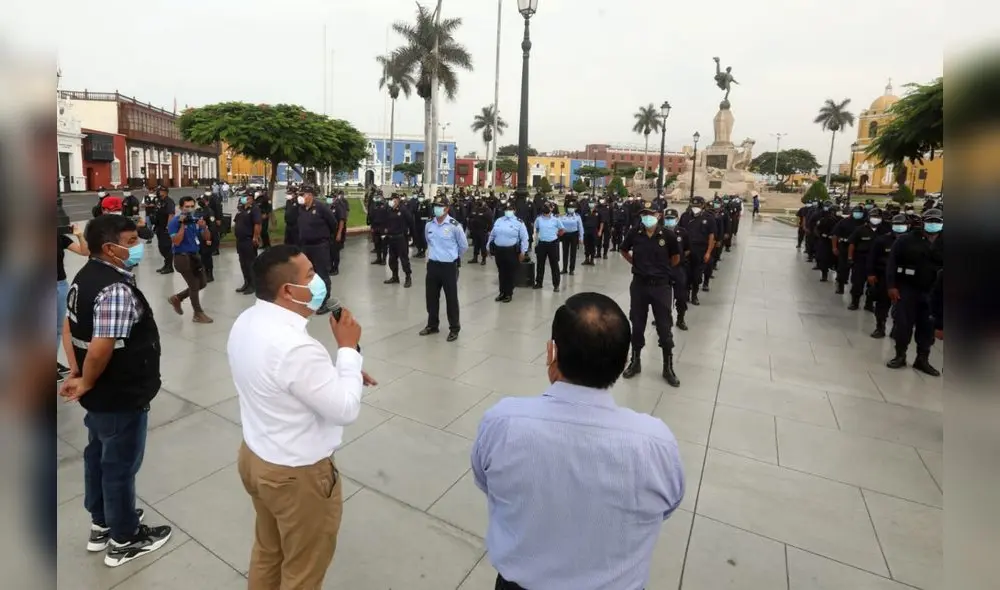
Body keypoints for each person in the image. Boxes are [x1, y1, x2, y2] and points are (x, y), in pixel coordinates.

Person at [472, 292, 685, 590]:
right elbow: (669, 505)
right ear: (623, 359)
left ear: (551, 353)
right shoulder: (655, 443)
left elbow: (485, 481)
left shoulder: (502, 423)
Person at [229, 245, 377, 590]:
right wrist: (347, 350)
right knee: (303, 569)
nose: (319, 279)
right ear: (288, 290)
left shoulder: (249, 319)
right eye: (310, 274)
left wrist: (345, 372)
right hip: (297, 476)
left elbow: (283, 380)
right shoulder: (295, 348)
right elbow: (345, 410)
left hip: (256, 457)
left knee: (269, 549)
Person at [59, 214, 172, 568]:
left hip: (100, 394)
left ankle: (101, 523)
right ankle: (125, 539)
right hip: (119, 392)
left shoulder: (85, 277)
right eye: (132, 240)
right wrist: (87, 378)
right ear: (110, 248)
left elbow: (69, 325)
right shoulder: (115, 290)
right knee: (120, 466)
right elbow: (102, 345)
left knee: (98, 456)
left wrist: (76, 370)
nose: (138, 245)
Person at [620, 201, 682, 386]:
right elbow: (623, 249)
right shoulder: (635, 233)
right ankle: (635, 361)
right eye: (644, 214)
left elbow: (676, 257)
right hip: (639, 285)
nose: (647, 218)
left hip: (661, 287)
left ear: (659, 216)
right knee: (637, 324)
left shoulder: (668, 236)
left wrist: (663, 270)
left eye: (651, 214)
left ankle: (667, 366)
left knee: (664, 326)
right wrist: (636, 264)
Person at [885, 208, 943, 375]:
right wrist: (891, 286)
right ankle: (900, 355)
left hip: (932, 292)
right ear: (923, 222)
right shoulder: (907, 240)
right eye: (930, 221)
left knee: (927, 327)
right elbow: (892, 263)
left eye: (937, 222)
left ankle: (922, 359)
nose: (934, 225)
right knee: (903, 325)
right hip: (907, 288)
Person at [419, 196, 468, 342]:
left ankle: (454, 328)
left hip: (448, 267)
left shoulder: (454, 225)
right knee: (431, 298)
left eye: (440, 206)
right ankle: (432, 325)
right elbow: (428, 242)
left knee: (451, 299)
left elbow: (463, 246)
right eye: (435, 206)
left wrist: (452, 256)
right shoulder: (429, 225)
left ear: (447, 209)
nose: (436, 209)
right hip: (433, 266)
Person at [166, 196, 214, 324]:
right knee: (193, 284)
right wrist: (182, 226)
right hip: (181, 257)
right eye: (186, 206)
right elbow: (176, 241)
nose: (189, 209)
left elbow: (207, 239)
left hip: (195, 255)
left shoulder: (194, 220)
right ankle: (198, 313)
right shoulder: (175, 222)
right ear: (181, 207)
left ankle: (177, 298)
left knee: (202, 283)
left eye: (192, 206)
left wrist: (204, 227)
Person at [296, 185, 339, 315]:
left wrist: (325, 237)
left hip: (320, 246)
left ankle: (325, 302)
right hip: (306, 246)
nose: (300, 197)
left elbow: (333, 223)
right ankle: (315, 298)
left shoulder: (321, 207)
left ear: (310, 195)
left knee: (322, 274)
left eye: (303, 194)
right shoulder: (302, 209)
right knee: (309, 274)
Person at [58, 223, 89, 379]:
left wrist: (79, 235)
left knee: (60, 327)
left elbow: (85, 252)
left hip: (59, 285)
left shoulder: (59, 238)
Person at [487, 200, 529, 302]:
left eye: (510, 209)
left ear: (514, 210)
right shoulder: (499, 220)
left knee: (510, 273)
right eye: (506, 209)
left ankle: (508, 293)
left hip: (511, 251)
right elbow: (492, 234)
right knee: (501, 272)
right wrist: (488, 246)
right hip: (499, 250)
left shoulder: (519, 222)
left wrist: (523, 251)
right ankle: (502, 292)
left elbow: (524, 238)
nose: (507, 211)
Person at [678, 196, 716, 306]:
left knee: (697, 276)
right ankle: (686, 293)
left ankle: (694, 295)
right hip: (686, 250)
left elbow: (712, 237)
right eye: (693, 205)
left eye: (698, 206)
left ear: (703, 206)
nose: (695, 208)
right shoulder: (685, 216)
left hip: (700, 251)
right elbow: (679, 232)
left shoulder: (709, 218)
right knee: (685, 274)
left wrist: (708, 252)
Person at [662, 208, 690, 331]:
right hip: (663, 269)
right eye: (667, 219)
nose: (669, 221)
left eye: (671, 219)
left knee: (681, 295)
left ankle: (680, 318)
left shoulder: (683, 233)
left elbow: (687, 249)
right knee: (661, 296)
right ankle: (662, 317)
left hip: (678, 268)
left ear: (677, 219)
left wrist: (680, 258)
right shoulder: (660, 232)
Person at [532, 201, 564, 292]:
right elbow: (536, 229)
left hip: (553, 244)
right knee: (540, 264)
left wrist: (556, 235)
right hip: (542, 243)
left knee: (554, 265)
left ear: (551, 209)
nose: (546, 209)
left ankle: (556, 285)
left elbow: (562, 230)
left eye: (548, 207)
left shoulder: (556, 219)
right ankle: (539, 282)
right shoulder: (538, 219)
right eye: (544, 207)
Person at [234, 193, 262, 294]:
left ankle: (253, 285)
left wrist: (255, 237)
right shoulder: (242, 209)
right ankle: (246, 282)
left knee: (250, 263)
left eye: (245, 197)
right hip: (240, 240)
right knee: (243, 263)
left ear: (251, 198)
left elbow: (257, 224)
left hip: (249, 240)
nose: (243, 199)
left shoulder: (255, 209)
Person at [383, 194, 414, 288]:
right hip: (391, 238)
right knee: (392, 259)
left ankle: (408, 278)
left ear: (397, 200)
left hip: (401, 238)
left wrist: (409, 234)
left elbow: (410, 221)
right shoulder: (389, 210)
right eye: (391, 199)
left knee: (404, 259)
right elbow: (387, 221)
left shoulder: (403, 209)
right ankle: (395, 277)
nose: (392, 201)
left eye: (393, 199)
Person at [152, 186, 176, 274]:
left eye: (159, 191)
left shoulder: (169, 202)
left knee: (166, 247)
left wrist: (168, 227)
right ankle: (166, 264)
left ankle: (169, 267)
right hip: (159, 227)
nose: (157, 192)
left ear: (165, 192)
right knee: (161, 247)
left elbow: (171, 214)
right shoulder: (159, 201)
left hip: (165, 228)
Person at [559, 197, 584, 275]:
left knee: (573, 253)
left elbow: (580, 227)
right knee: (565, 252)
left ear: (575, 208)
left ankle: (571, 269)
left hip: (574, 235)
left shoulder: (577, 217)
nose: (570, 209)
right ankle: (564, 268)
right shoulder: (563, 216)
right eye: (569, 208)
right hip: (565, 235)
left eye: (572, 208)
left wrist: (581, 238)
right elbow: (560, 226)